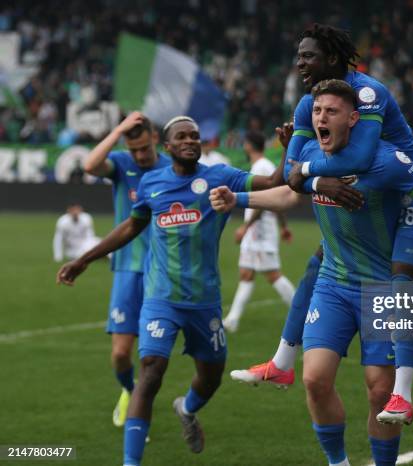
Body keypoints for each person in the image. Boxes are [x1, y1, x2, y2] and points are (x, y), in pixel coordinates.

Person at [210, 80, 413, 466]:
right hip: (333, 284)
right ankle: (338, 463)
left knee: (379, 391)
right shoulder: (311, 153)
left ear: (353, 118)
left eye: (331, 111)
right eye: (316, 111)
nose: (321, 118)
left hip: (380, 288)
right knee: (314, 379)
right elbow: (287, 193)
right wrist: (238, 199)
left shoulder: (384, 159)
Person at [57, 116, 320, 466]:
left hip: (204, 301)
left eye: (195, 135)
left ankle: (187, 407)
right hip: (160, 298)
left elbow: (274, 182)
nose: (190, 140)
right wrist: (84, 259)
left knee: (211, 376)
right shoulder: (152, 183)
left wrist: (289, 149)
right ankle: (130, 461)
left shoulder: (220, 177)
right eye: (182, 136)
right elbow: (131, 226)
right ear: (168, 146)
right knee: (151, 370)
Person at [231, 23, 413, 426]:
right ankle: (282, 361)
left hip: (409, 189)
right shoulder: (308, 103)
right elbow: (287, 178)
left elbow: (356, 160)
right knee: (320, 264)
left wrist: (309, 172)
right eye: (298, 55)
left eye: (307, 55)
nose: (299, 62)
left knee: (402, 277)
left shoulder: (367, 92)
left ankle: (403, 394)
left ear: (332, 57)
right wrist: (305, 177)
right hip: (363, 189)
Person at [82, 111, 171, 429]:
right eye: (134, 150)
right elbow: (90, 165)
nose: (139, 155)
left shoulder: (171, 167)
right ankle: (129, 391)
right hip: (127, 269)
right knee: (121, 355)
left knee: (152, 355)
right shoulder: (121, 163)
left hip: (162, 273)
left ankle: (139, 412)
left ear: (155, 140)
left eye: (144, 148)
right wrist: (118, 130)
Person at [223, 131, 295, 333]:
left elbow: (267, 202)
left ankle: (301, 312)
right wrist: (284, 227)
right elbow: (276, 199)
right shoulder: (262, 166)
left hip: (260, 231)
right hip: (258, 230)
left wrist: (245, 227)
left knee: (273, 275)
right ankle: (233, 320)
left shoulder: (262, 166)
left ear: (248, 145)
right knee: (246, 273)